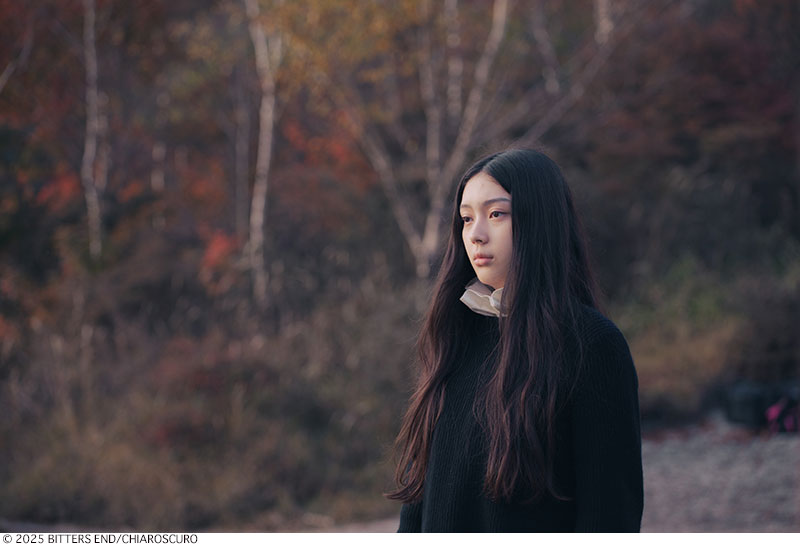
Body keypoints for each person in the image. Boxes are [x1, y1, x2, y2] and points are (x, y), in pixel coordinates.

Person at [385, 149, 643, 532]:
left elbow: (610, 518)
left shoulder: (592, 346)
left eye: (496, 214)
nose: (476, 234)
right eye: (466, 218)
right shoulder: (455, 334)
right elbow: (418, 503)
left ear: (539, 220)